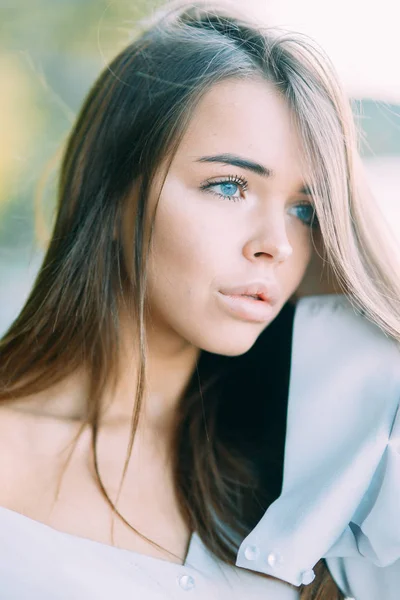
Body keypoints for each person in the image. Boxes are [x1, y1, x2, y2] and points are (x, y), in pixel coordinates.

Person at [0, 1, 399, 598]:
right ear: (110, 194)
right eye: (229, 186)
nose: (279, 246)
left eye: (305, 210)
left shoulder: (321, 475)